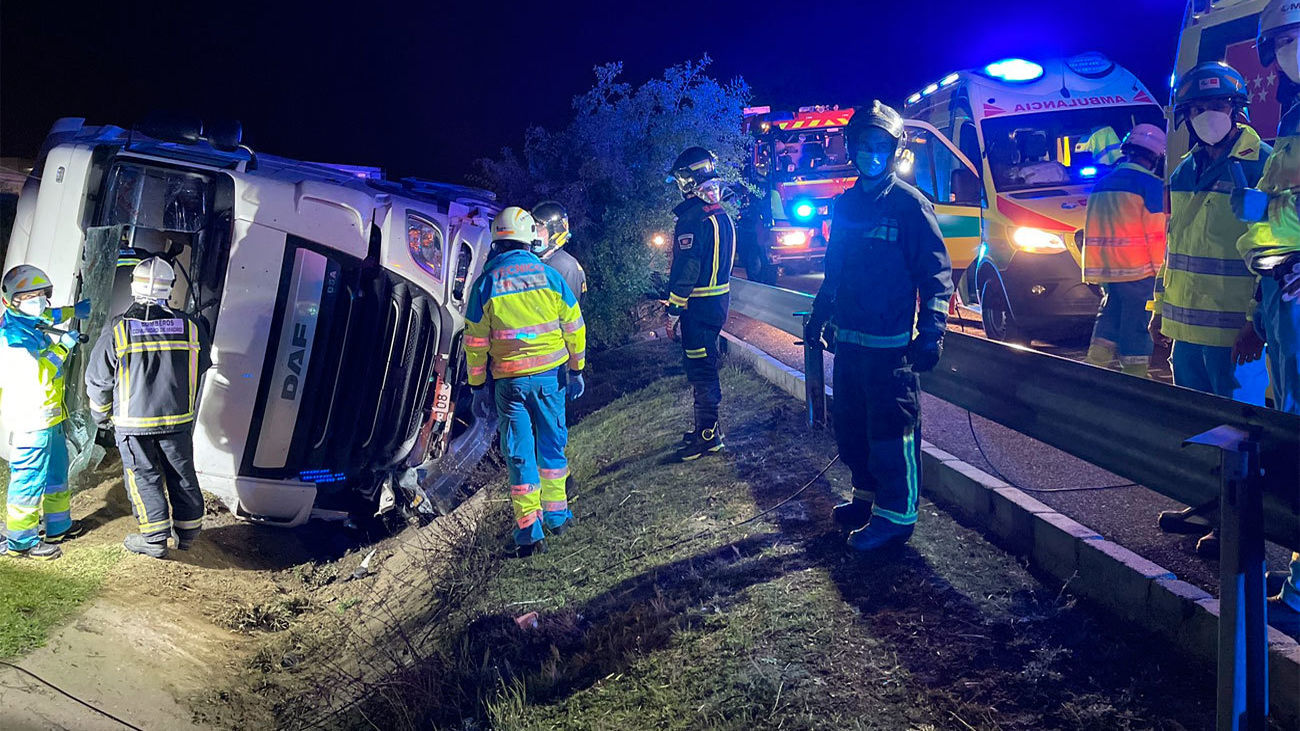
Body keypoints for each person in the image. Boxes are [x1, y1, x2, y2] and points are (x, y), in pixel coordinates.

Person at [807, 100, 954, 553]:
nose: (871, 153)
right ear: (852, 149)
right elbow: (834, 269)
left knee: (893, 432)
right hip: (849, 345)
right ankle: (866, 499)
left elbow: (936, 275)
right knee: (852, 428)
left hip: (891, 349)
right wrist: (820, 314)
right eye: (864, 145)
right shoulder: (847, 204)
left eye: (880, 145)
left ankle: (897, 517)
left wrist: (932, 330)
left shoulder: (910, 206)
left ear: (894, 150)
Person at [1152, 62, 1274, 557]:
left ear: (1237, 109)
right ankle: (1205, 507)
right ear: (1186, 115)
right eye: (1199, 107)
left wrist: (1257, 322)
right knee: (1199, 428)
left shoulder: (1261, 163)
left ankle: (1238, 527)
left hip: (1235, 336)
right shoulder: (1184, 170)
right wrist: (1160, 310)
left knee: (1240, 435)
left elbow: (1273, 252)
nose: (1209, 115)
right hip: (1187, 330)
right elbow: (1174, 248)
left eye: (1218, 105)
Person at [465, 207, 586, 558]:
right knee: (552, 448)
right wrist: (577, 369)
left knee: (520, 455)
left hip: (509, 385)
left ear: (496, 242)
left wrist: (477, 388)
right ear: (528, 239)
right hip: (551, 379)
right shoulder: (549, 277)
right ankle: (558, 517)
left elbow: (474, 342)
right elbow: (574, 327)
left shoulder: (486, 283)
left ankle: (529, 534)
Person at [1236, 0, 1300, 637]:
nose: (1287, 51)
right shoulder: (1290, 118)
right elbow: (1277, 216)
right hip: (1285, 298)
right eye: (1278, 42)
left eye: (1294, 38)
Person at [84, 257, 211, 559]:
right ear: (170, 288)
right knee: (182, 473)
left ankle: (154, 539)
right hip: (177, 420)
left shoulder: (119, 329)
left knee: (143, 475)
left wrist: (101, 415)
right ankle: (189, 534)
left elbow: (98, 379)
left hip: (133, 421)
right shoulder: (192, 327)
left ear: (133, 287)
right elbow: (201, 366)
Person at [0, 265, 91, 560]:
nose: (37, 300)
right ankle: (21, 541)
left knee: (55, 473)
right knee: (28, 479)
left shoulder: (28, 318)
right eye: (29, 295)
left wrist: (75, 309)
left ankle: (58, 525)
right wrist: (64, 347)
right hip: (30, 419)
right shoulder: (12, 339)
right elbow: (40, 373)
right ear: (10, 301)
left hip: (50, 417)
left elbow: (50, 316)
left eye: (41, 295)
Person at [664, 146, 736, 462]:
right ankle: (705, 430)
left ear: (694, 176)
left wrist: (673, 310)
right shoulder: (721, 213)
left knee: (701, 369)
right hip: (717, 302)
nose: (681, 184)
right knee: (704, 364)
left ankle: (708, 436)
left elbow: (687, 268)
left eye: (683, 177)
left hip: (698, 307)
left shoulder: (692, 218)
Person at [1082, 123, 1169, 378]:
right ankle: (1136, 375)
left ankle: (1094, 366)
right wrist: (1161, 272)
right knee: (1136, 325)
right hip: (1138, 270)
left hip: (1106, 271)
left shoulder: (1101, 184)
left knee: (1109, 317)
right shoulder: (1150, 185)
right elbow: (1156, 234)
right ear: (1154, 156)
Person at [533, 201, 587, 305]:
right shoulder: (539, 259)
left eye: (538, 228)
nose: (533, 233)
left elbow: (570, 314)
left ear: (555, 232)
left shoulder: (566, 267)